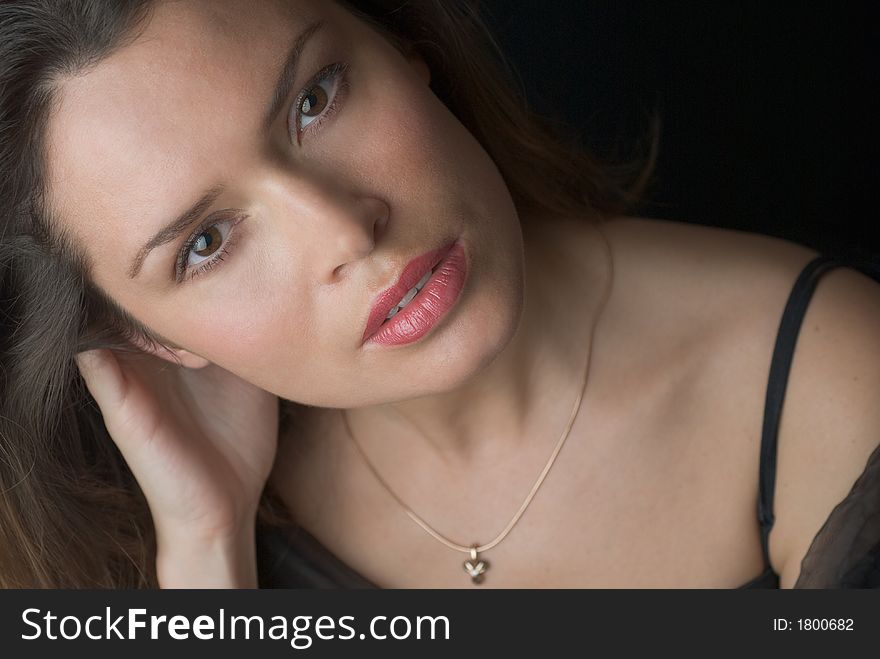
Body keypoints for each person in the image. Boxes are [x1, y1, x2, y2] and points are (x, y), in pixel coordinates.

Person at [0, 0, 877, 590]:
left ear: (403, 47)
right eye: (205, 244)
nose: (346, 231)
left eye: (315, 98)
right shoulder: (157, 535)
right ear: (148, 337)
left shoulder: (828, 378)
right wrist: (205, 553)